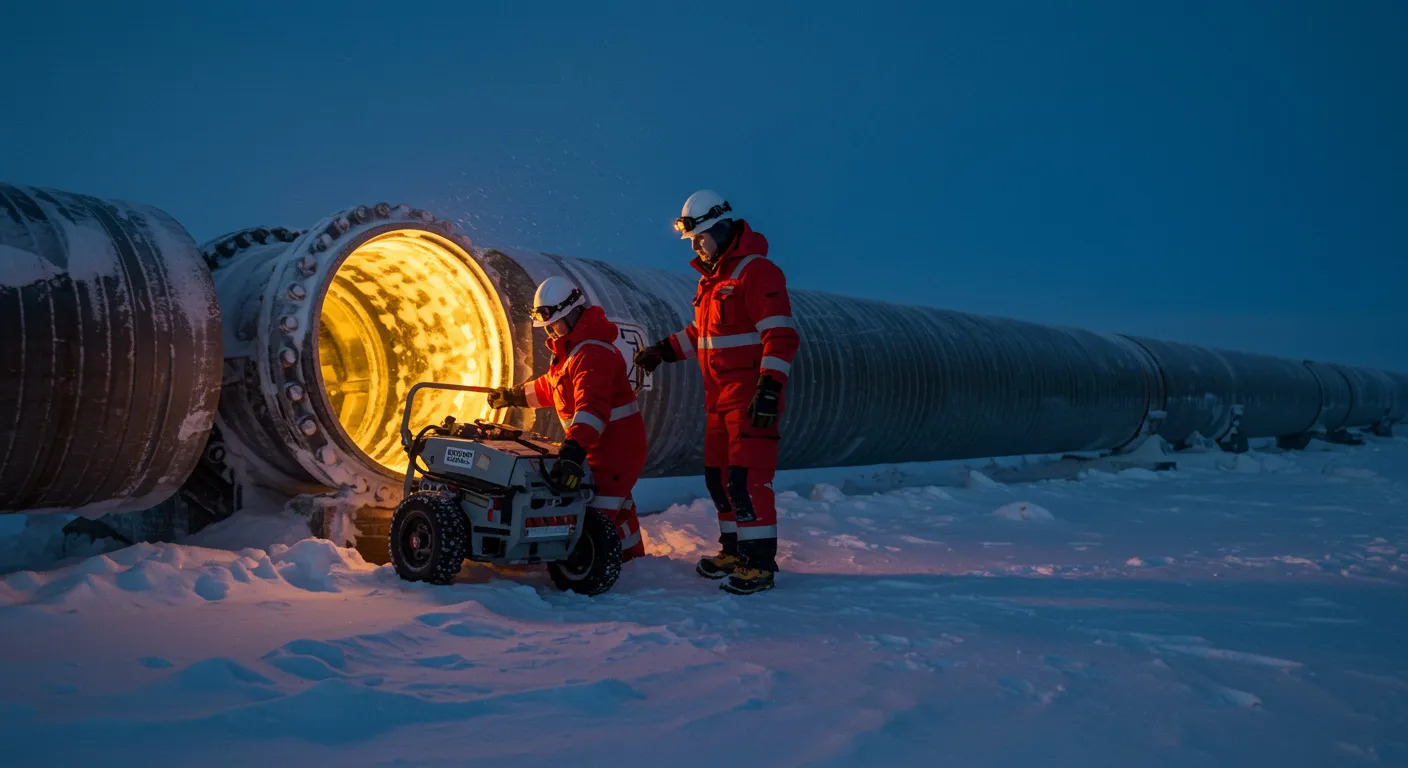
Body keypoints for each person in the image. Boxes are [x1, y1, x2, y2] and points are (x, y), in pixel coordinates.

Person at [633, 190, 799, 595]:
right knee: (719, 479)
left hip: (749, 398)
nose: (695, 245)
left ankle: (758, 566)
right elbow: (702, 336)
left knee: (747, 480)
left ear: (722, 229)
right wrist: (662, 351)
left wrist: (769, 389)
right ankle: (734, 550)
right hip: (718, 401)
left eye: (700, 237)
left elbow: (781, 333)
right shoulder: (713, 282)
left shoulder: (756, 272)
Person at [488, 276, 648, 562]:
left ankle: (593, 565)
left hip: (613, 451)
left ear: (573, 313)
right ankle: (634, 562)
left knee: (594, 514)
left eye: (554, 322)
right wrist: (512, 397)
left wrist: (573, 451)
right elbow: (549, 388)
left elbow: (592, 409)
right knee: (619, 507)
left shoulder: (592, 354)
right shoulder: (573, 353)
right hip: (602, 448)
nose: (549, 330)